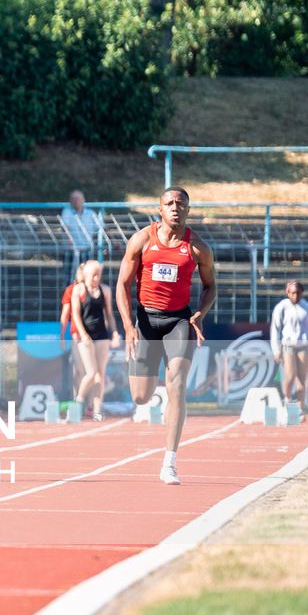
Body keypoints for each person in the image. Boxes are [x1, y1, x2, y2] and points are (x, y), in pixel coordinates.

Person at [116, 187, 217, 486]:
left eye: (180, 204)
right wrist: (128, 327)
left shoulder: (198, 248)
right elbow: (122, 285)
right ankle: (165, 408)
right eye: (169, 203)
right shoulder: (142, 240)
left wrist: (201, 312)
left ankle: (169, 462)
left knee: (176, 386)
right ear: (160, 209)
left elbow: (211, 286)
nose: (175, 207)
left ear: (188, 209)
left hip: (178, 321)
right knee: (140, 396)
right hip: (146, 321)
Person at [69, 259, 116, 419]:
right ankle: (79, 402)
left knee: (100, 374)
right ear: (87, 274)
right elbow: (75, 314)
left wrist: (114, 332)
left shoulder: (105, 290)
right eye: (94, 275)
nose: (97, 278)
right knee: (90, 372)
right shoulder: (78, 290)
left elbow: (109, 314)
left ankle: (96, 409)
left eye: (99, 275)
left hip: (101, 335)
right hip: (85, 336)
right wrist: (83, 333)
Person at [268, 279, 308, 407]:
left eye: (298, 293)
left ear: (302, 293)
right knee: (290, 376)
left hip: (304, 346)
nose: (295, 296)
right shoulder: (282, 307)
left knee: (302, 379)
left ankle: (300, 408)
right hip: (288, 346)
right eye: (292, 293)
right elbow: (275, 329)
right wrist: (276, 350)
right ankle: (287, 400)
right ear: (287, 293)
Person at [58, 190, 102, 262]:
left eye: (78, 198)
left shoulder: (91, 213)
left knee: (86, 271)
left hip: (87, 248)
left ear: (83, 200)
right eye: (73, 199)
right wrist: (69, 238)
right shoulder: (67, 212)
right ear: (70, 201)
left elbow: (100, 227)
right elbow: (65, 226)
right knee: (69, 271)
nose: (76, 201)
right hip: (71, 249)